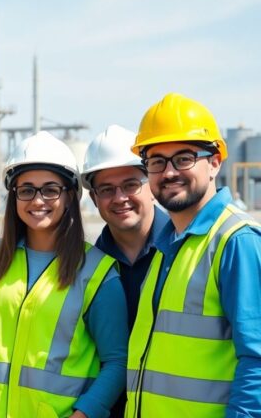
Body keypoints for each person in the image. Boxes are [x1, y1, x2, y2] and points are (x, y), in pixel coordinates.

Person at [125, 93, 261, 417]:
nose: (169, 172)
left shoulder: (236, 242)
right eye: (156, 161)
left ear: (214, 163)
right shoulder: (166, 246)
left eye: (184, 158)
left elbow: (257, 361)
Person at [0, 131, 127, 418]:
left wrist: (84, 414)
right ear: (14, 195)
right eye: (26, 190)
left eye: (50, 190)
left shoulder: (97, 273)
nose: (37, 200)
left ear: (70, 196)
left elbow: (117, 362)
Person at [81, 125, 169, 418]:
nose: (120, 198)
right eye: (107, 189)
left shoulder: (185, 252)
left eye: (131, 184)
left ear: (151, 186)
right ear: (94, 199)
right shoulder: (88, 267)